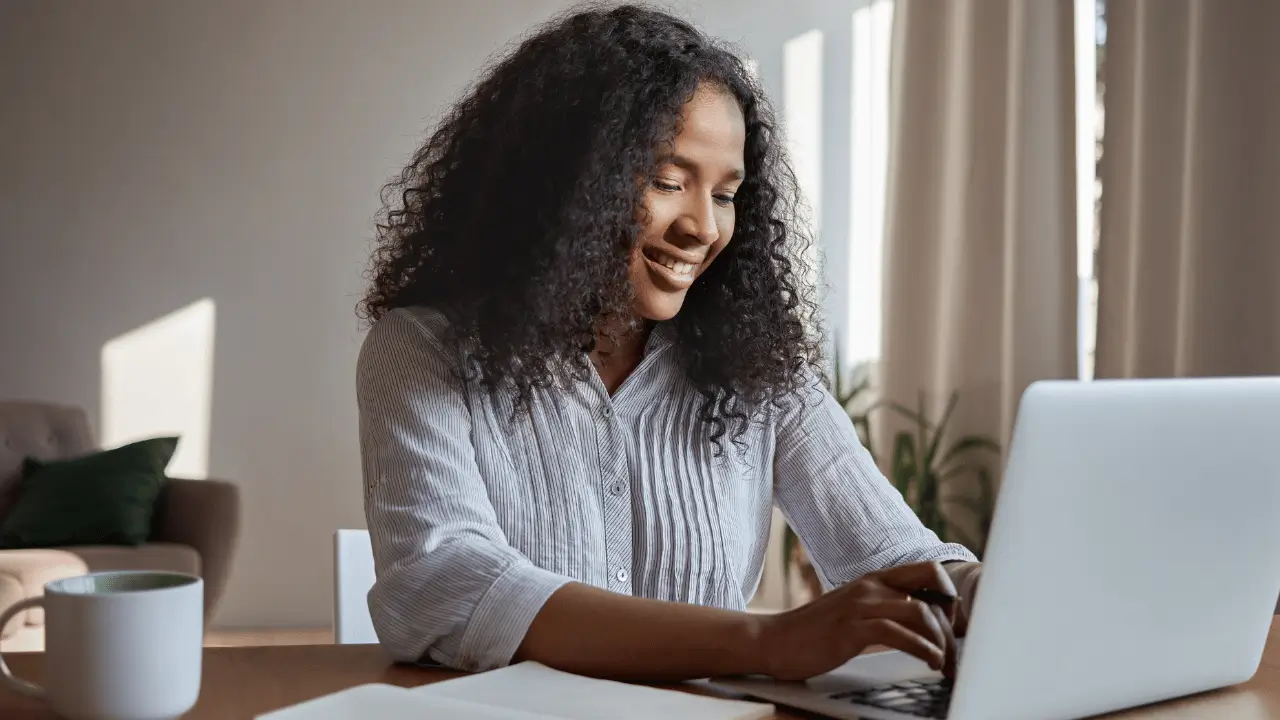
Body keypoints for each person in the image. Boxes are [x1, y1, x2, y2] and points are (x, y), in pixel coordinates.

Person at [355, 3, 981, 683]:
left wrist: (977, 591)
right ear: (565, 181)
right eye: (668, 181)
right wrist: (763, 642)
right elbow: (446, 586)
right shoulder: (422, 350)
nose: (703, 228)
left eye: (726, 194)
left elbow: (894, 556)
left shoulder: (760, 371)